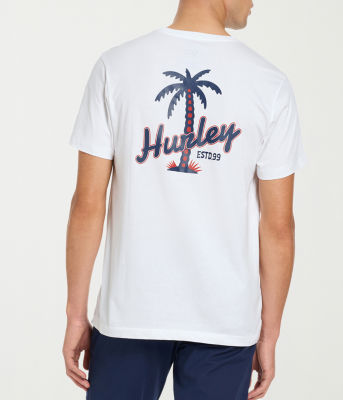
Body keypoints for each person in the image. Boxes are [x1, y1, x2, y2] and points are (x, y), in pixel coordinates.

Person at [63, 0, 305, 399]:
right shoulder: (269, 84)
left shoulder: (116, 67)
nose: (254, 2)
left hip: (131, 313)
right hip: (223, 323)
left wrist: (76, 314)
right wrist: (269, 333)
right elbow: (278, 226)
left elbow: (87, 204)